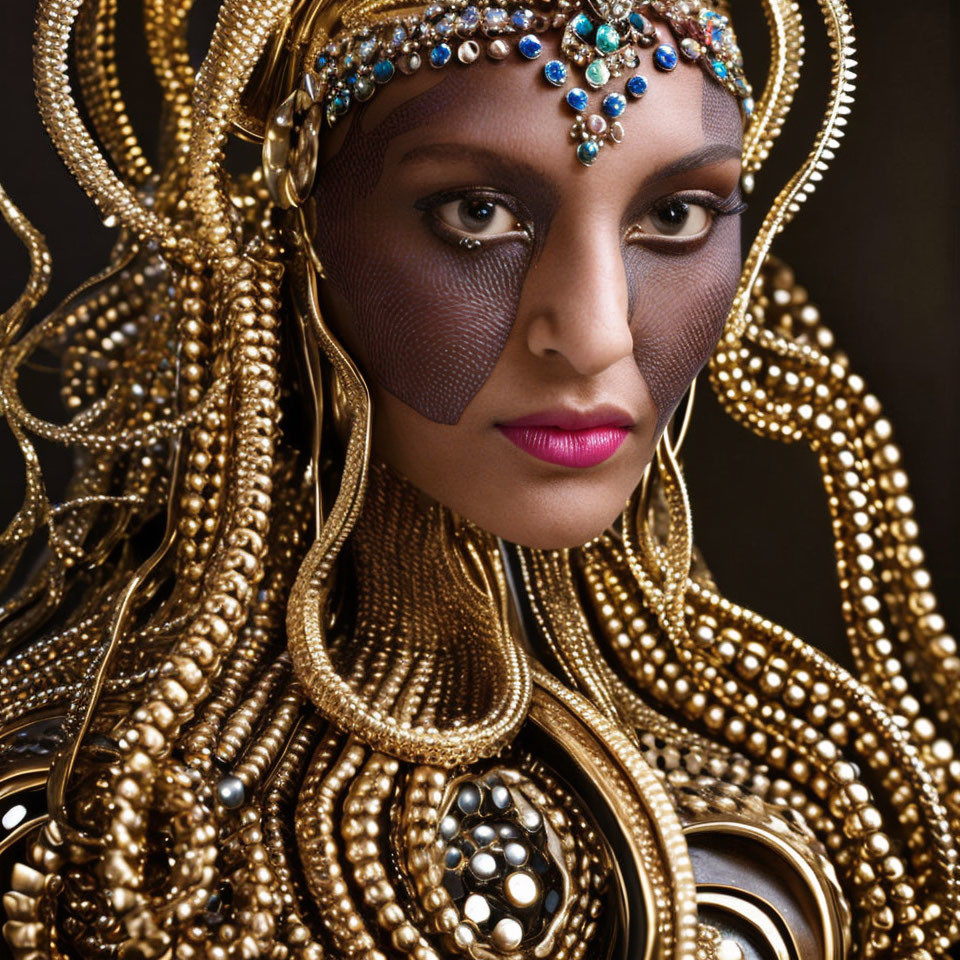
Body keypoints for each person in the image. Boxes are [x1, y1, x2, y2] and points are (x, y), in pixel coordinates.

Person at [0, 0, 956, 958]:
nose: (595, 334)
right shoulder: (85, 844)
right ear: (307, 238)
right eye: (478, 212)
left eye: (674, 215)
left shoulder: (789, 829)